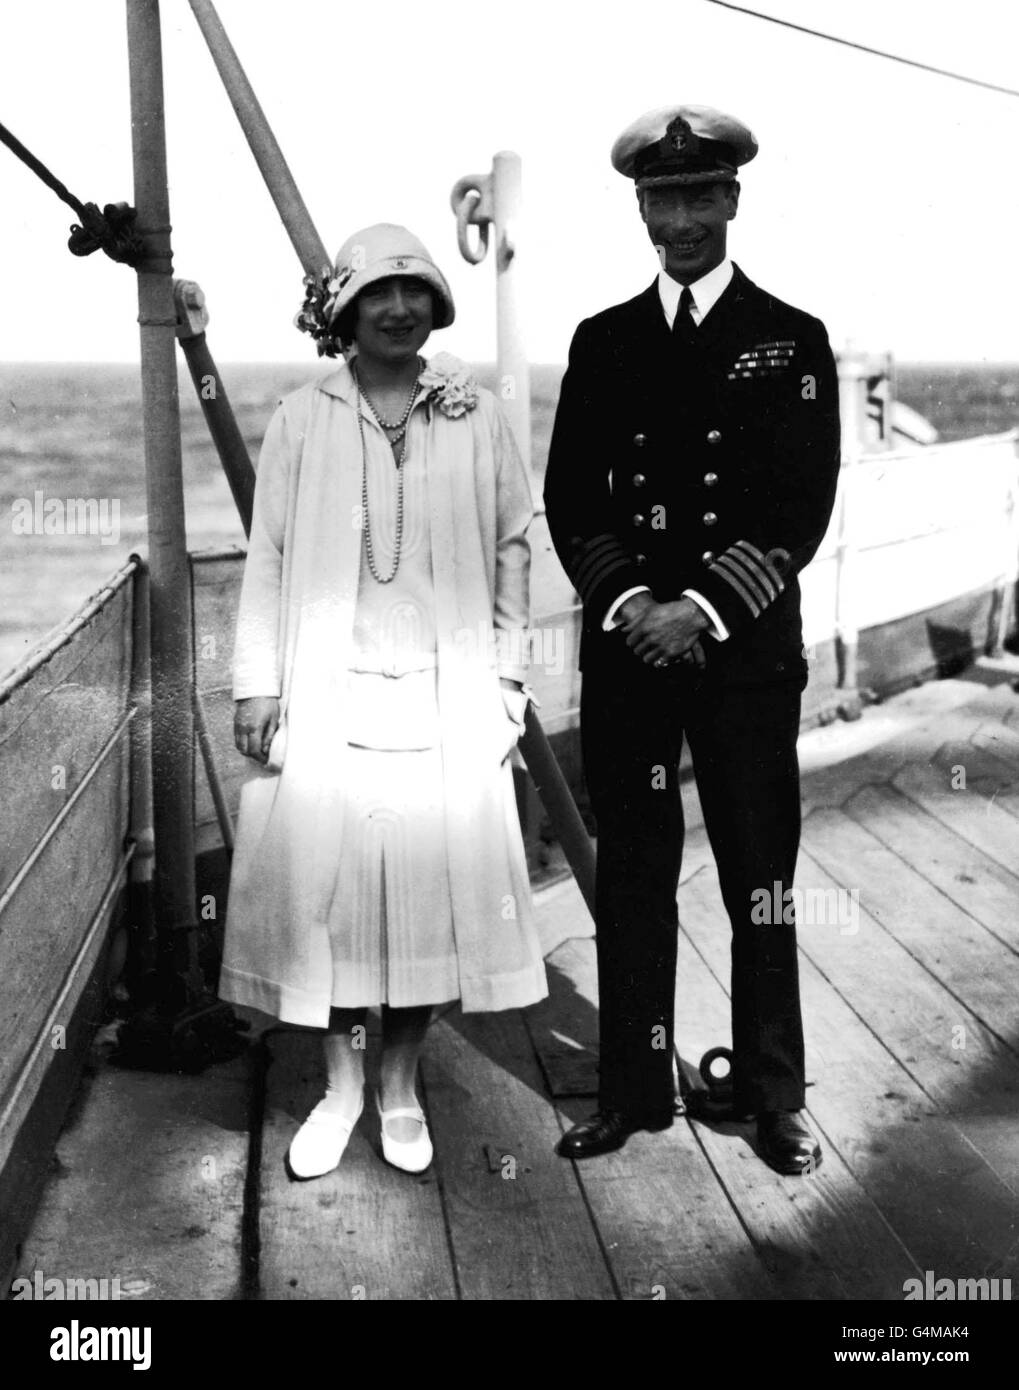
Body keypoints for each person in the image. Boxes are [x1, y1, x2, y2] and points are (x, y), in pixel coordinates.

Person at [543, 106, 841, 1174]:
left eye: (695, 195)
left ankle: (770, 1093)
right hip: (630, 650)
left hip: (742, 651)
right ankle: (631, 1090)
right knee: (632, 869)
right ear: (640, 208)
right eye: (657, 200)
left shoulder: (790, 338)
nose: (677, 218)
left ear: (729, 200)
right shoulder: (602, 340)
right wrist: (632, 605)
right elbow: (571, 494)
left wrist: (698, 610)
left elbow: (799, 504)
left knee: (758, 873)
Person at [220, 223, 547, 1180]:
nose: (399, 309)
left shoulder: (474, 414)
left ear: (436, 308)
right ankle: (340, 1086)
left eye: (415, 293)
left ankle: (399, 1083)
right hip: (330, 695)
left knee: (426, 899)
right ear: (347, 314)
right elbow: (269, 556)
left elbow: (512, 545)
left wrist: (509, 679)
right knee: (329, 898)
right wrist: (257, 683)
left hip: (447, 700)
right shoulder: (301, 418)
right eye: (378, 295)